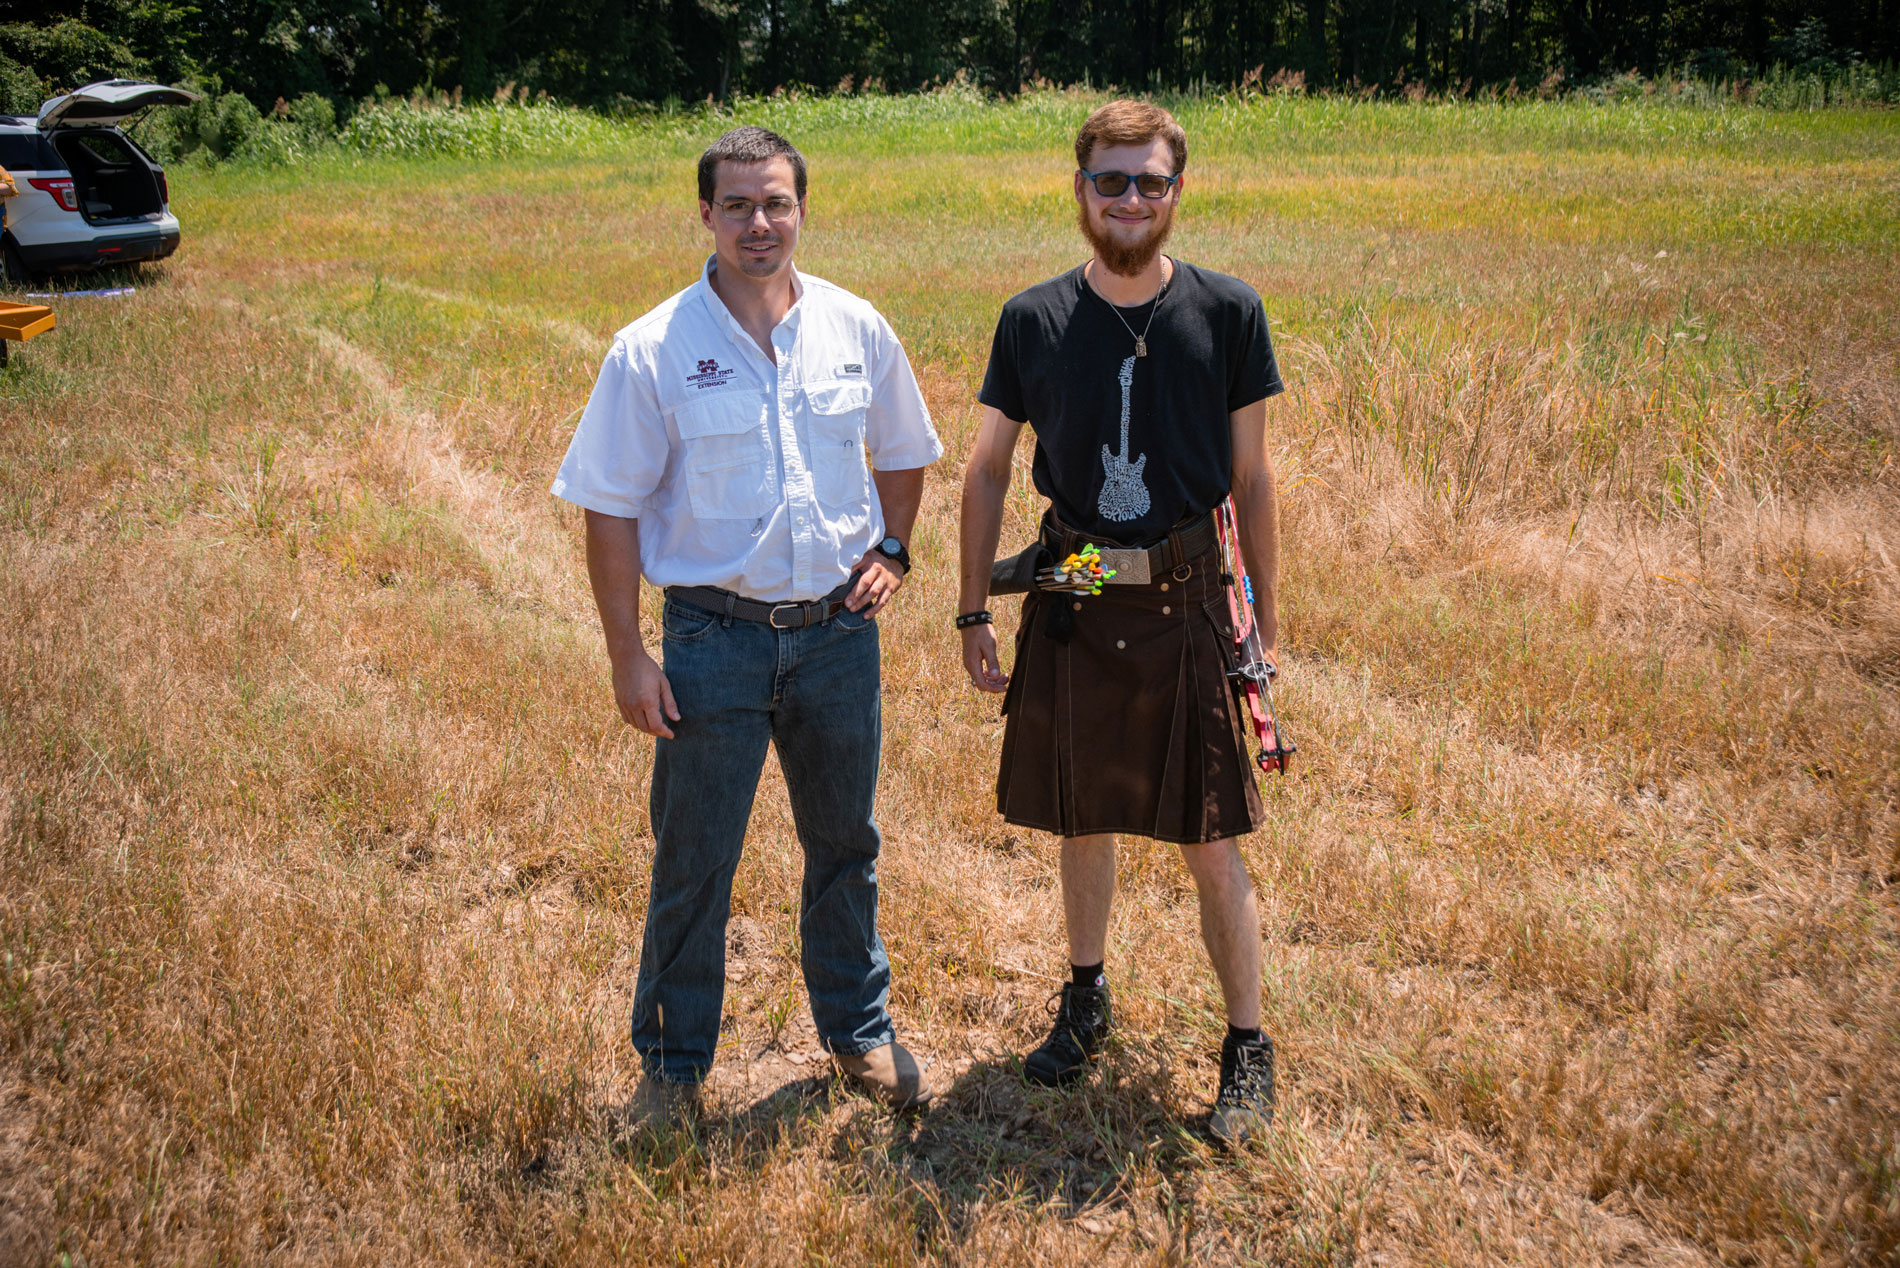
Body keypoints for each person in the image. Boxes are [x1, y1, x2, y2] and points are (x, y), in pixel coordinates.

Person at [553, 125, 943, 1120]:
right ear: (705, 215)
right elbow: (608, 504)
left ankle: (858, 1033)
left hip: (837, 636)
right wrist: (627, 654)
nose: (758, 222)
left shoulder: (858, 328)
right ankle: (673, 1070)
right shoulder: (653, 349)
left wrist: (892, 548)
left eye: (775, 202)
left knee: (844, 842)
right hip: (710, 641)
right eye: (737, 204)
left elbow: (905, 447)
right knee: (694, 857)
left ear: (801, 209)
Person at [956, 100, 1285, 1144]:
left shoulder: (1227, 312)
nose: (1130, 199)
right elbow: (985, 469)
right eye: (1111, 180)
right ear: (1081, 190)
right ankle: (1086, 997)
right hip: (1080, 591)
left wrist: (1264, 621)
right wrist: (970, 607)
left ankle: (1247, 1047)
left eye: (1149, 181)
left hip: (1188, 599)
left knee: (1211, 836)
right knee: (1081, 813)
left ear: (1178, 190)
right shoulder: (1033, 318)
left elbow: (1252, 476)